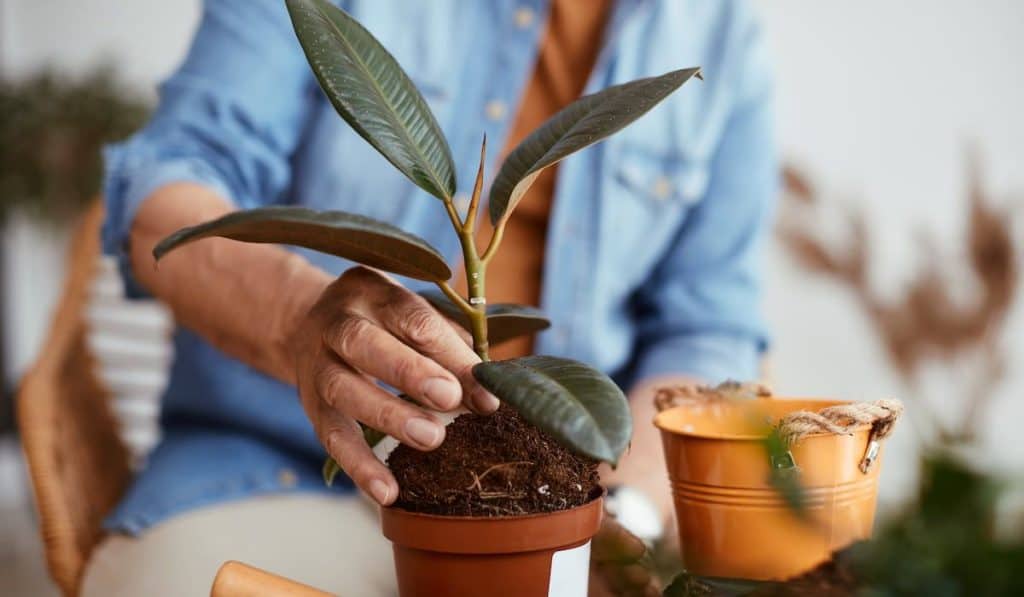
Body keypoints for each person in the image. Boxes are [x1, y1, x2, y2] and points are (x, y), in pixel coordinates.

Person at [82, 0, 776, 595]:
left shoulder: (717, 29)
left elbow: (708, 327)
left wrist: (623, 514)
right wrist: (300, 316)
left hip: (552, 508)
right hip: (276, 469)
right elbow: (161, 197)